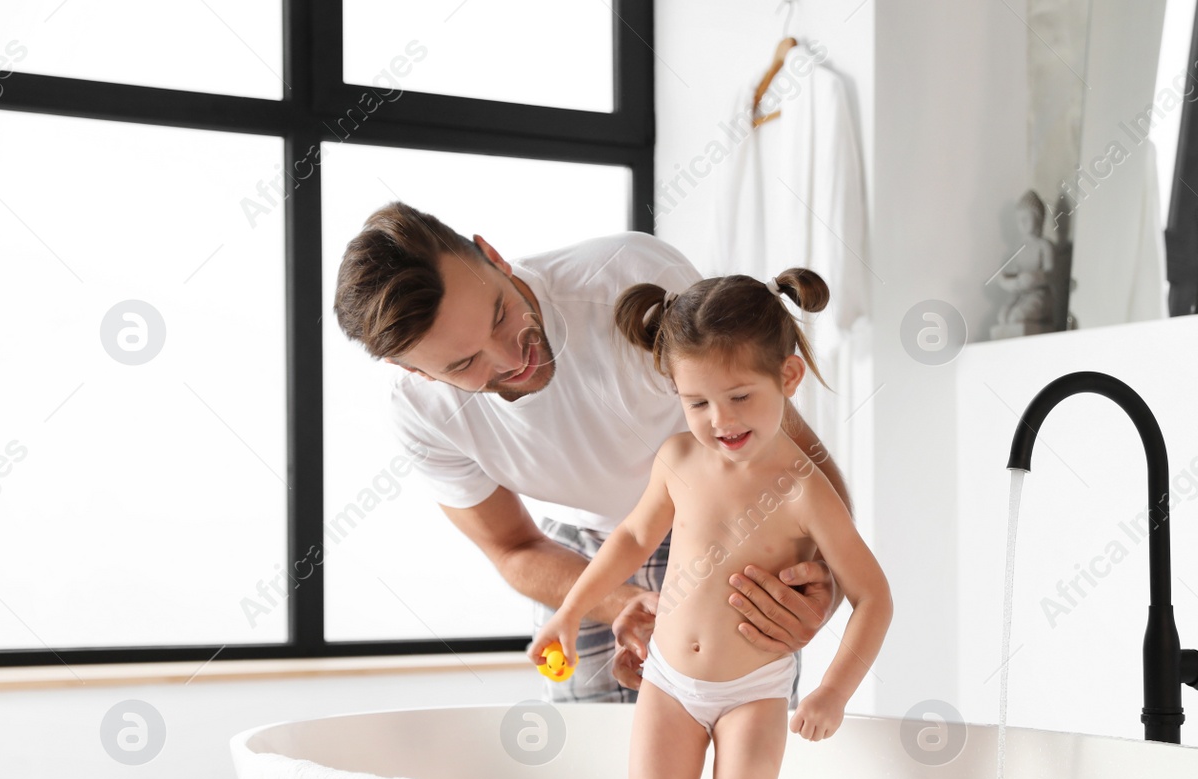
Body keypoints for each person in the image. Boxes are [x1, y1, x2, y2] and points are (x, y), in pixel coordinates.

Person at [333, 202, 853, 701]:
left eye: (498, 316)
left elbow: (794, 460)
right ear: (417, 373)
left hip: (719, 518)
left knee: (742, 750)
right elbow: (513, 547)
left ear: (492, 255)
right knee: (593, 766)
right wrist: (623, 601)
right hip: (577, 550)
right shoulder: (420, 413)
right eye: (464, 363)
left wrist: (821, 585)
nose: (512, 358)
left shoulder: (630, 280)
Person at [528, 269, 892, 779]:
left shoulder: (803, 487)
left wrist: (833, 692)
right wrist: (570, 611)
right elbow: (629, 539)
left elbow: (873, 597)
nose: (721, 421)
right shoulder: (677, 458)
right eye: (696, 402)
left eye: (740, 396)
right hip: (668, 683)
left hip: (754, 693)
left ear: (789, 376)